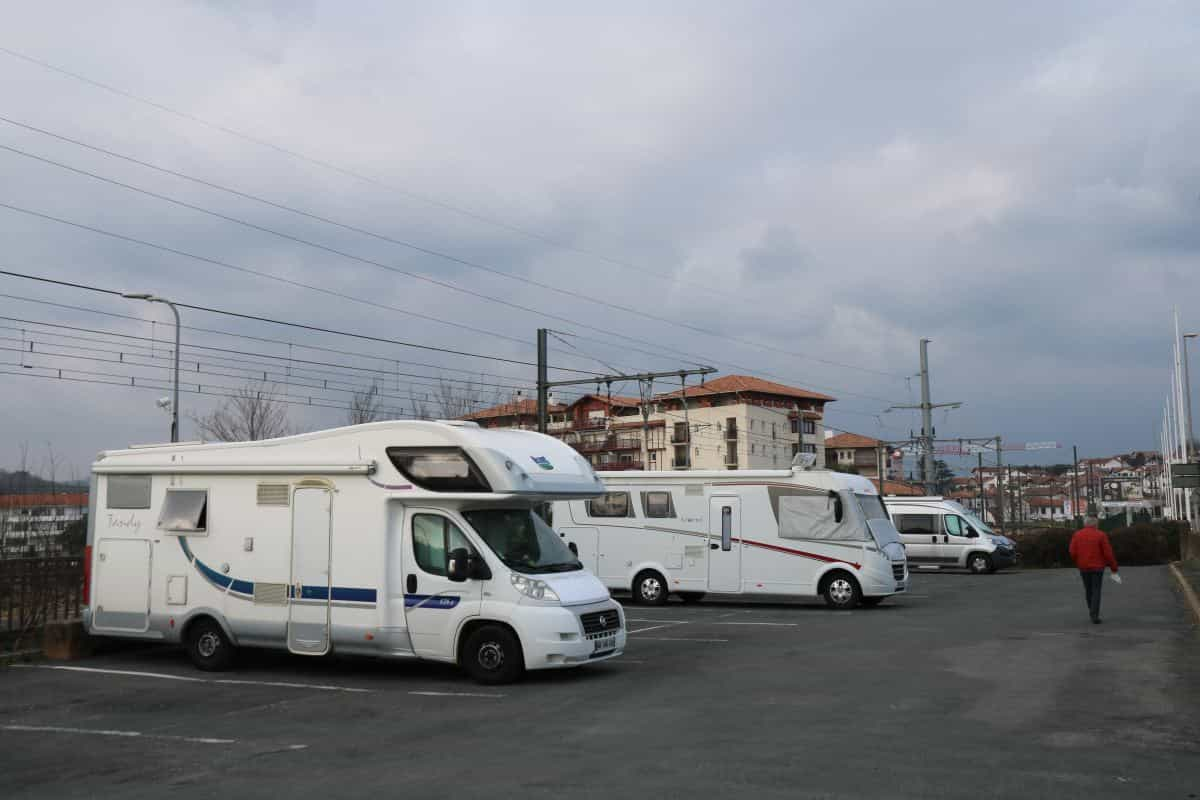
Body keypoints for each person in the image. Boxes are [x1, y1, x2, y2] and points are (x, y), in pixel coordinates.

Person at [1069, 515, 1119, 624]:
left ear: (1085, 524)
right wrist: (1113, 567)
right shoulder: (1101, 535)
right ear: (1096, 524)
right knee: (1096, 590)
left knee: (1088, 589)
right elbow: (1108, 553)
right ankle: (1094, 614)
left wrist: (1077, 561)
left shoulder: (1077, 535)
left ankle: (1091, 610)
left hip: (1083, 567)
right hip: (1098, 567)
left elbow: (1072, 551)